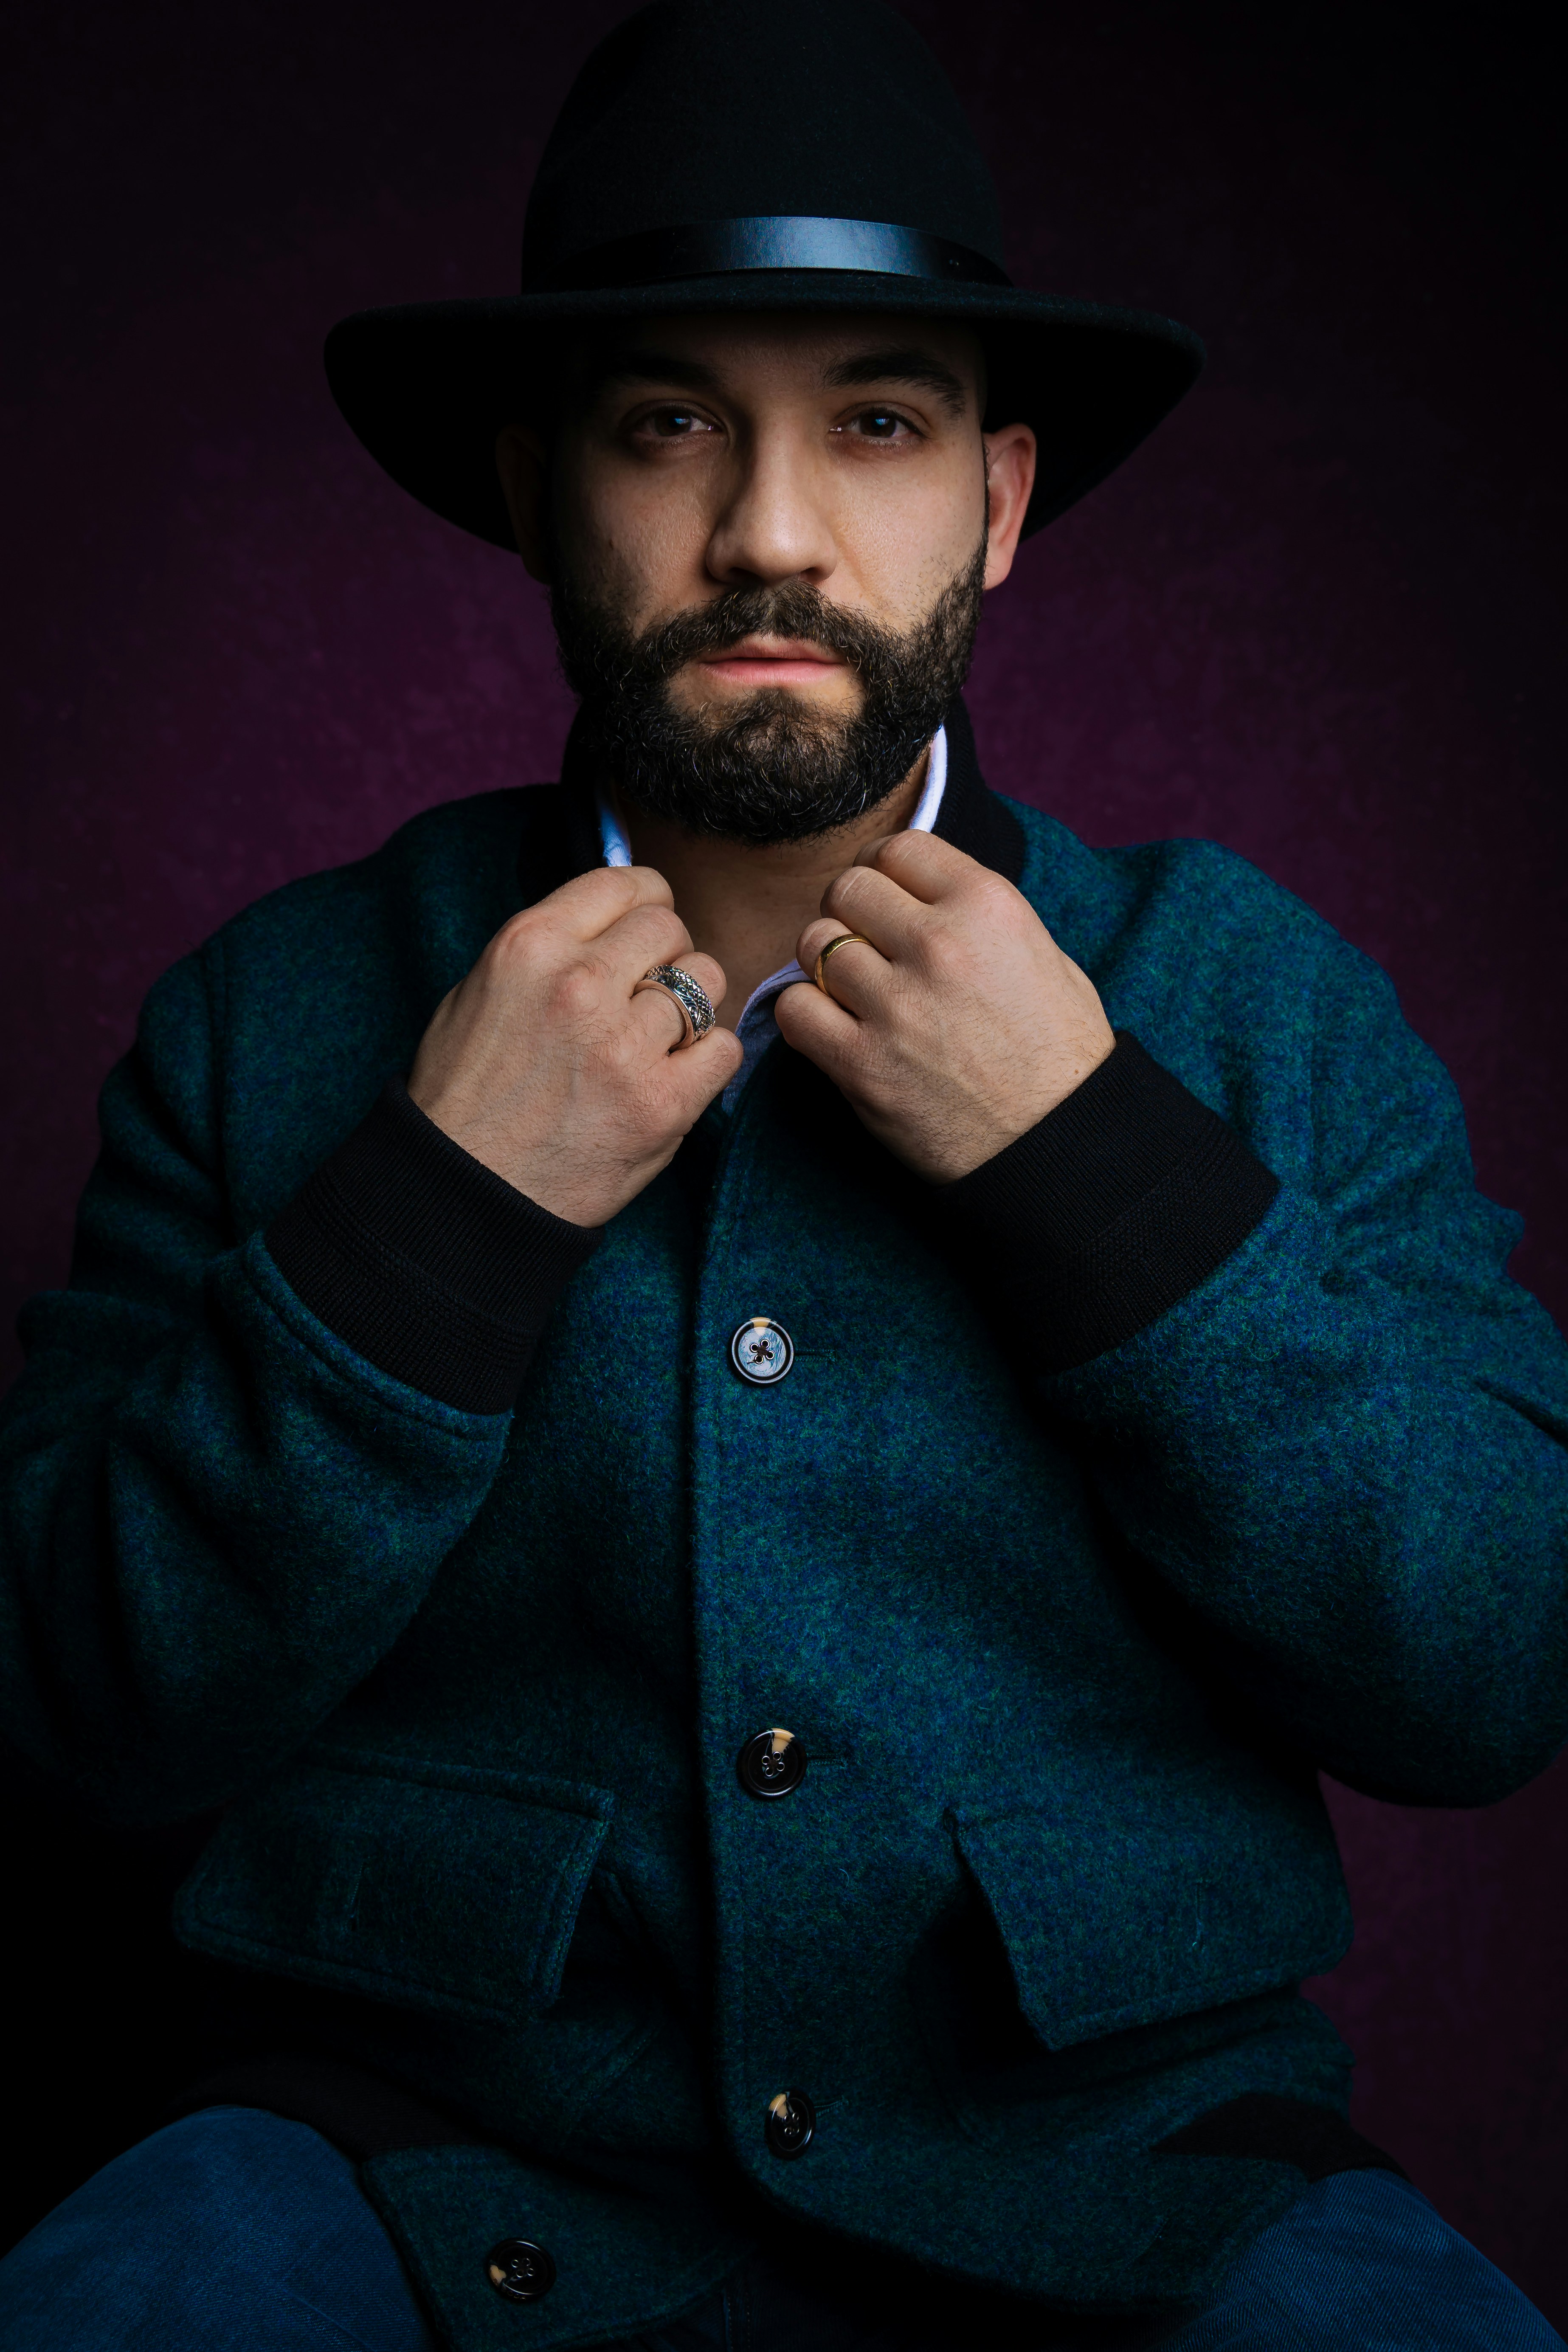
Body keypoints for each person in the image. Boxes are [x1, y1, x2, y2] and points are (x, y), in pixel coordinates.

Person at [2, 2, 1565, 2346]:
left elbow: (1491, 1658)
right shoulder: (274, 1015)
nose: (768, 528)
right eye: (666, 426)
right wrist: (429, 1224)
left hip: (1140, 2188)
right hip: (411, 2172)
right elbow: (66, 1715)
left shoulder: (1261, 1004)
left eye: (878, 421)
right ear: (533, 488)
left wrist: (1104, 1171)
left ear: (1003, 501)